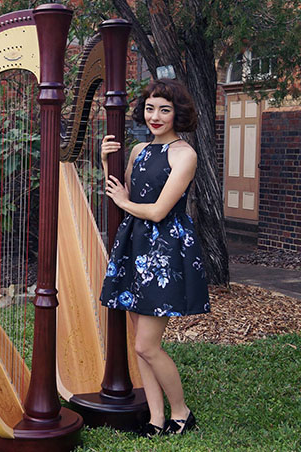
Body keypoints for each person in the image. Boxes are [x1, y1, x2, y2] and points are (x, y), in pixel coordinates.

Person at [100, 78, 210, 438]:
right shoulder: (138, 151)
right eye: (150, 108)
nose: (156, 115)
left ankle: (182, 413)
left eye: (165, 109)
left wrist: (124, 204)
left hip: (164, 250)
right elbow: (126, 192)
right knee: (141, 345)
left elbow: (160, 211)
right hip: (135, 245)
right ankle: (156, 419)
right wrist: (105, 163)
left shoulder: (184, 154)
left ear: (178, 113)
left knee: (147, 344)